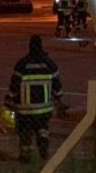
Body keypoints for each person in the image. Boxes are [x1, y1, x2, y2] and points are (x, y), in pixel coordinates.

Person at [6, 35, 65, 163]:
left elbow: (14, 85)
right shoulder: (50, 64)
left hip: (25, 109)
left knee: (25, 131)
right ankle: (43, 144)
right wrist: (59, 98)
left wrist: (9, 99)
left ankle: (25, 155)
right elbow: (57, 86)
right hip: (44, 108)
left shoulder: (22, 64)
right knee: (42, 127)